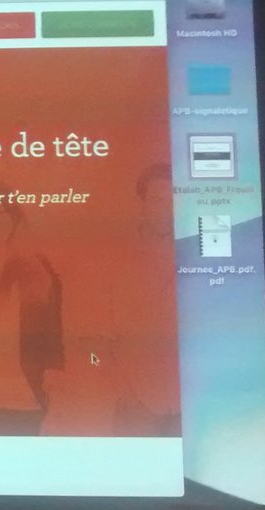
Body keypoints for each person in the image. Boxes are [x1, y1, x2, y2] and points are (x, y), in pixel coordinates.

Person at [0, 179, 64, 436]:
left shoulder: (37, 266)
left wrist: (54, 388)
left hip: (25, 395)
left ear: (13, 214)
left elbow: (53, 335)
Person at [109, 164, 181, 436]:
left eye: (173, 200)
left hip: (192, 405)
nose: (166, 210)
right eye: (158, 200)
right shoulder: (116, 262)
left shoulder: (201, 255)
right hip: (137, 408)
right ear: (142, 204)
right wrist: (125, 391)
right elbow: (98, 344)